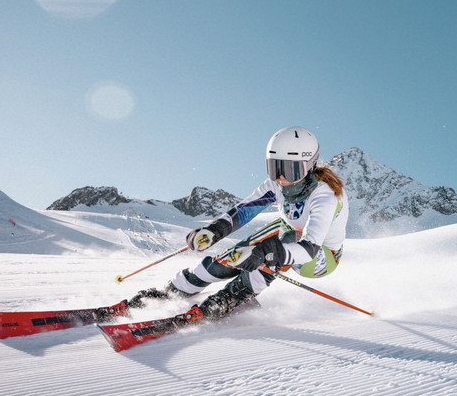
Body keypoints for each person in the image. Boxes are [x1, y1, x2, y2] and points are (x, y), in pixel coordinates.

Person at [123, 126, 349, 321]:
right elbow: (244, 210)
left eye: (290, 169)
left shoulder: (325, 195)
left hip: (320, 257)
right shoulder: (275, 185)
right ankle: (179, 288)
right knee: (240, 252)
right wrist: (214, 230)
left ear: (309, 166)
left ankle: (232, 298)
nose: (281, 177)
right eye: (274, 168)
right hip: (288, 234)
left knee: (277, 245)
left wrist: (266, 253)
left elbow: (309, 249)